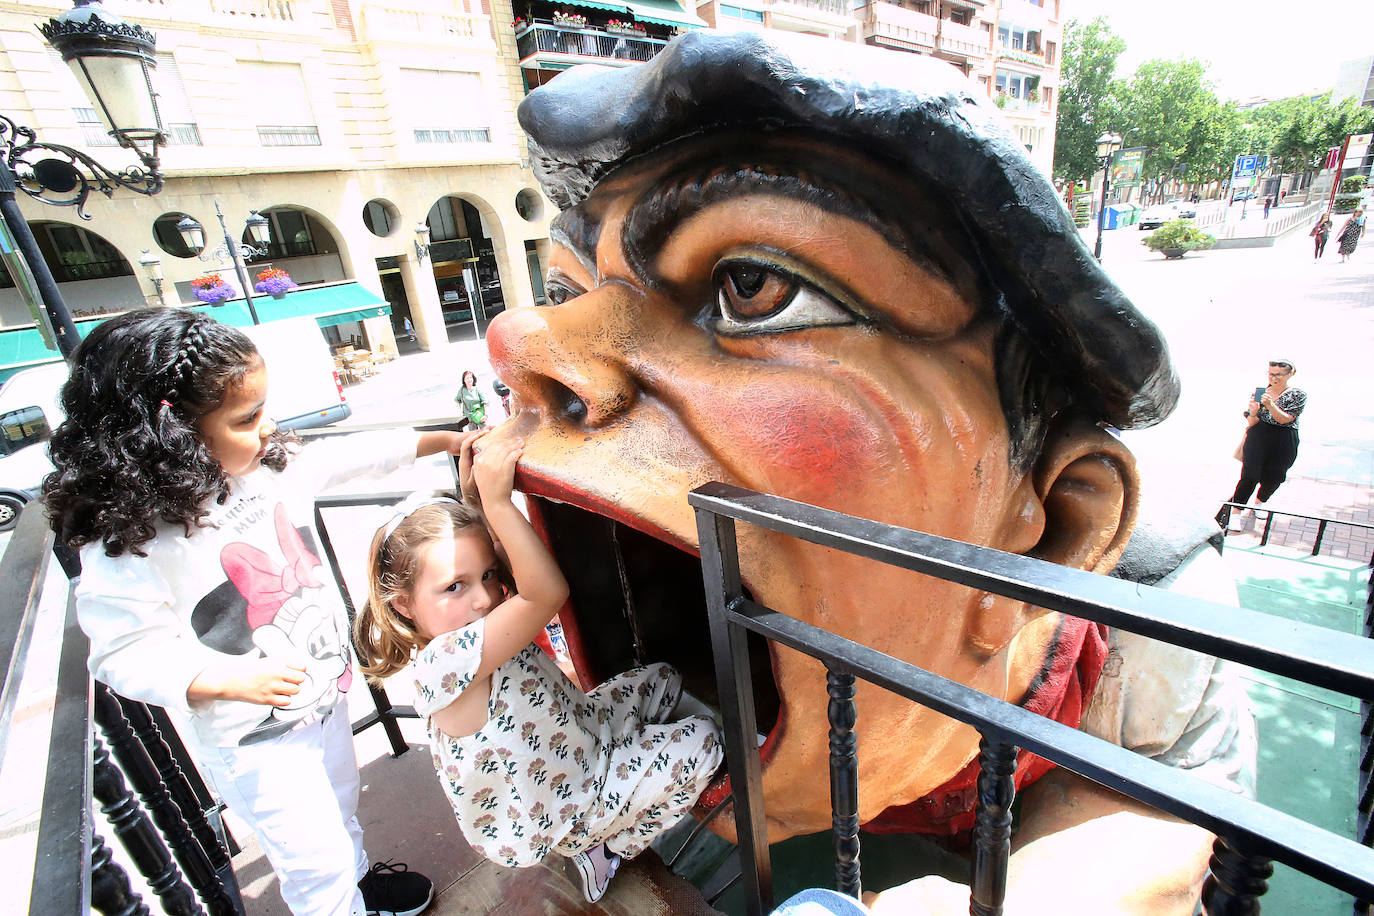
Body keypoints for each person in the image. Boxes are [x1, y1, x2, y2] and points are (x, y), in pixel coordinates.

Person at [488, 30, 1253, 912]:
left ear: (1056, 525)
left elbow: (1163, 823)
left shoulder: (1158, 608)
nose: (527, 342)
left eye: (752, 286)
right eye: (568, 291)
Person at [43, 307, 449, 916]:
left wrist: (438, 441)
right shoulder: (131, 539)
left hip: (323, 697)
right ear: (170, 429)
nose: (268, 427)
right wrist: (224, 680)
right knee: (315, 862)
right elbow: (120, 650)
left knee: (340, 808)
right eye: (247, 417)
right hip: (255, 741)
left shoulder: (259, 471)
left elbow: (346, 456)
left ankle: (363, 886)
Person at [352, 433, 723, 904]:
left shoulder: (476, 623)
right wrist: (499, 503)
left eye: (485, 575)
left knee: (664, 677)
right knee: (703, 743)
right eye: (454, 587)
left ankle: (640, 763)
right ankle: (607, 848)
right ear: (403, 604)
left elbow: (518, 571)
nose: (485, 596)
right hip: (566, 807)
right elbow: (545, 592)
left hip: (577, 737)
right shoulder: (446, 664)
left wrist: (476, 504)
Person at [1219, 359, 1306, 532]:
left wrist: (1270, 405)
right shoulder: (1260, 392)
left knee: (1275, 476)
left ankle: (1260, 501)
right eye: (1271, 373)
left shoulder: (1297, 394)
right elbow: (1252, 422)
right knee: (1249, 476)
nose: (1274, 378)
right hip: (1258, 436)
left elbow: (1285, 419)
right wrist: (1253, 412)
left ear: (1290, 374)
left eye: (1279, 375)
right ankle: (1236, 512)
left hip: (1284, 439)